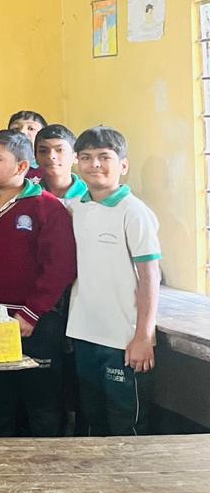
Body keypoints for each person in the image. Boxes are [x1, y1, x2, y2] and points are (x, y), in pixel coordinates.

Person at [0, 130, 76, 437]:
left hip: (34, 322)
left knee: (41, 404)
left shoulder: (47, 207)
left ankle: (47, 463)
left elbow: (61, 267)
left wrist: (31, 313)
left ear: (21, 167)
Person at [65, 127, 161, 436]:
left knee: (126, 423)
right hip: (85, 334)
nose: (94, 164)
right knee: (93, 420)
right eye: (86, 157)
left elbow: (150, 276)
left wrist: (143, 336)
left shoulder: (134, 212)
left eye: (104, 157)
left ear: (123, 165)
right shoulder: (75, 207)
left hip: (123, 339)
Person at [35, 125, 88, 201]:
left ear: (76, 157)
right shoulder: (28, 195)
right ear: (36, 158)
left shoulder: (91, 195)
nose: (51, 156)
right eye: (43, 151)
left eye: (60, 150)